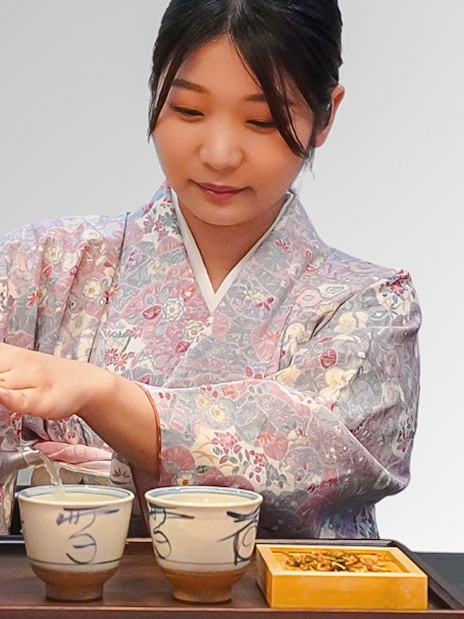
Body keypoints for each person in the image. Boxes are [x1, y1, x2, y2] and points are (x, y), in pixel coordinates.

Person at [0, 0, 421, 539]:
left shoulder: (369, 306)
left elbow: (318, 459)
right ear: (155, 91)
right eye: (189, 111)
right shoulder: (39, 264)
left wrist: (104, 399)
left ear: (326, 115)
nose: (220, 154)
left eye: (263, 119)